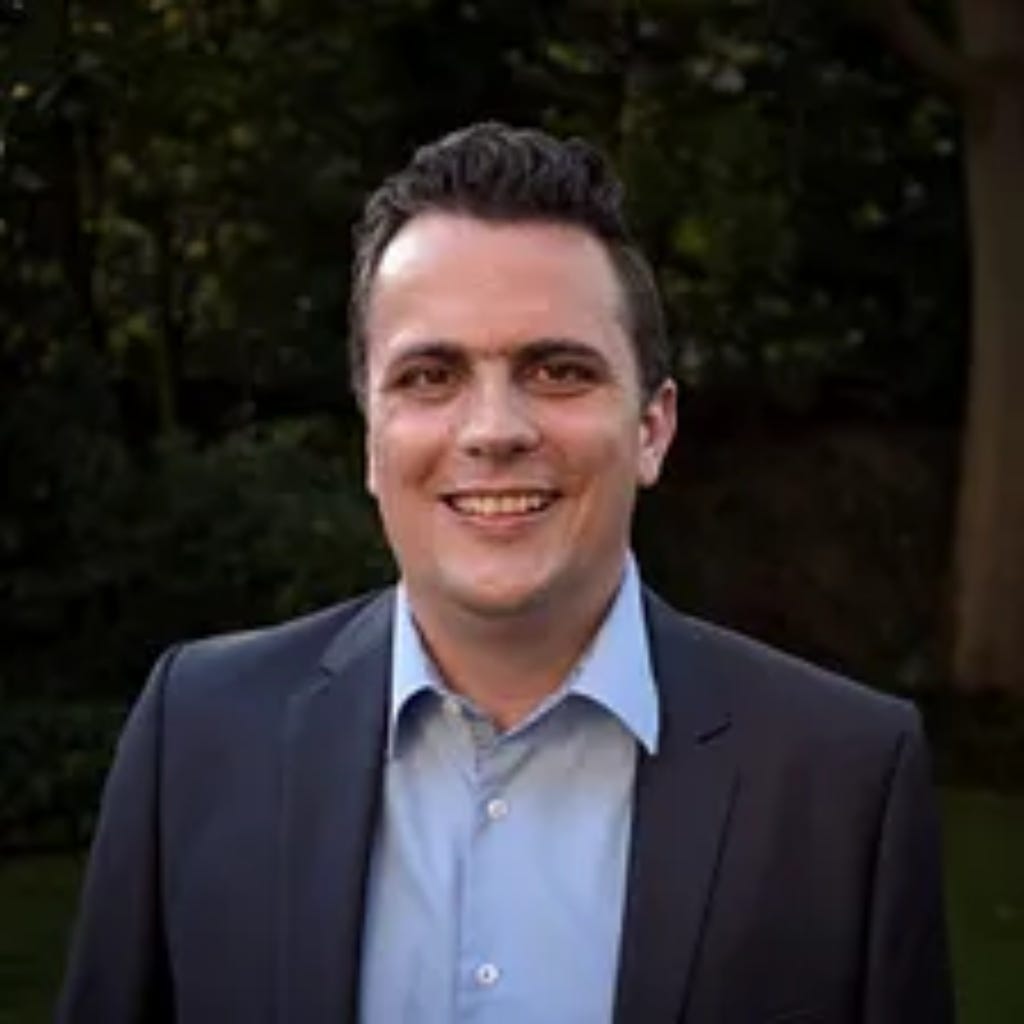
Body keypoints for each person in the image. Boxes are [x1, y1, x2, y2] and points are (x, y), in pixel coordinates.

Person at [57, 122, 953, 1024]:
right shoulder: (198, 735)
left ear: (652, 430)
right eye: (430, 376)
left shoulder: (845, 781)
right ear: (371, 438)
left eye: (558, 371)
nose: (494, 430)